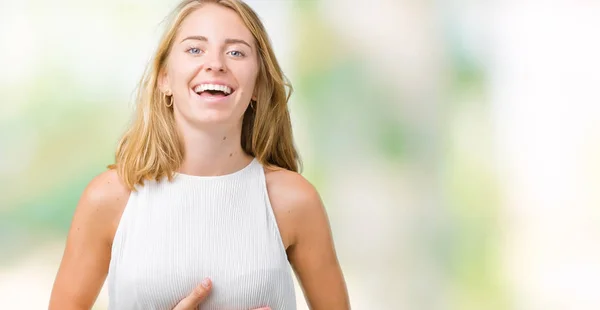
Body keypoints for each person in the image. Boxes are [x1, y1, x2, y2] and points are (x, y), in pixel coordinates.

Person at [48, 0, 350, 309]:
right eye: (195, 49)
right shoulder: (109, 198)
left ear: (258, 84)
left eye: (236, 52)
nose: (215, 63)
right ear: (164, 78)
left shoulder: (295, 201)